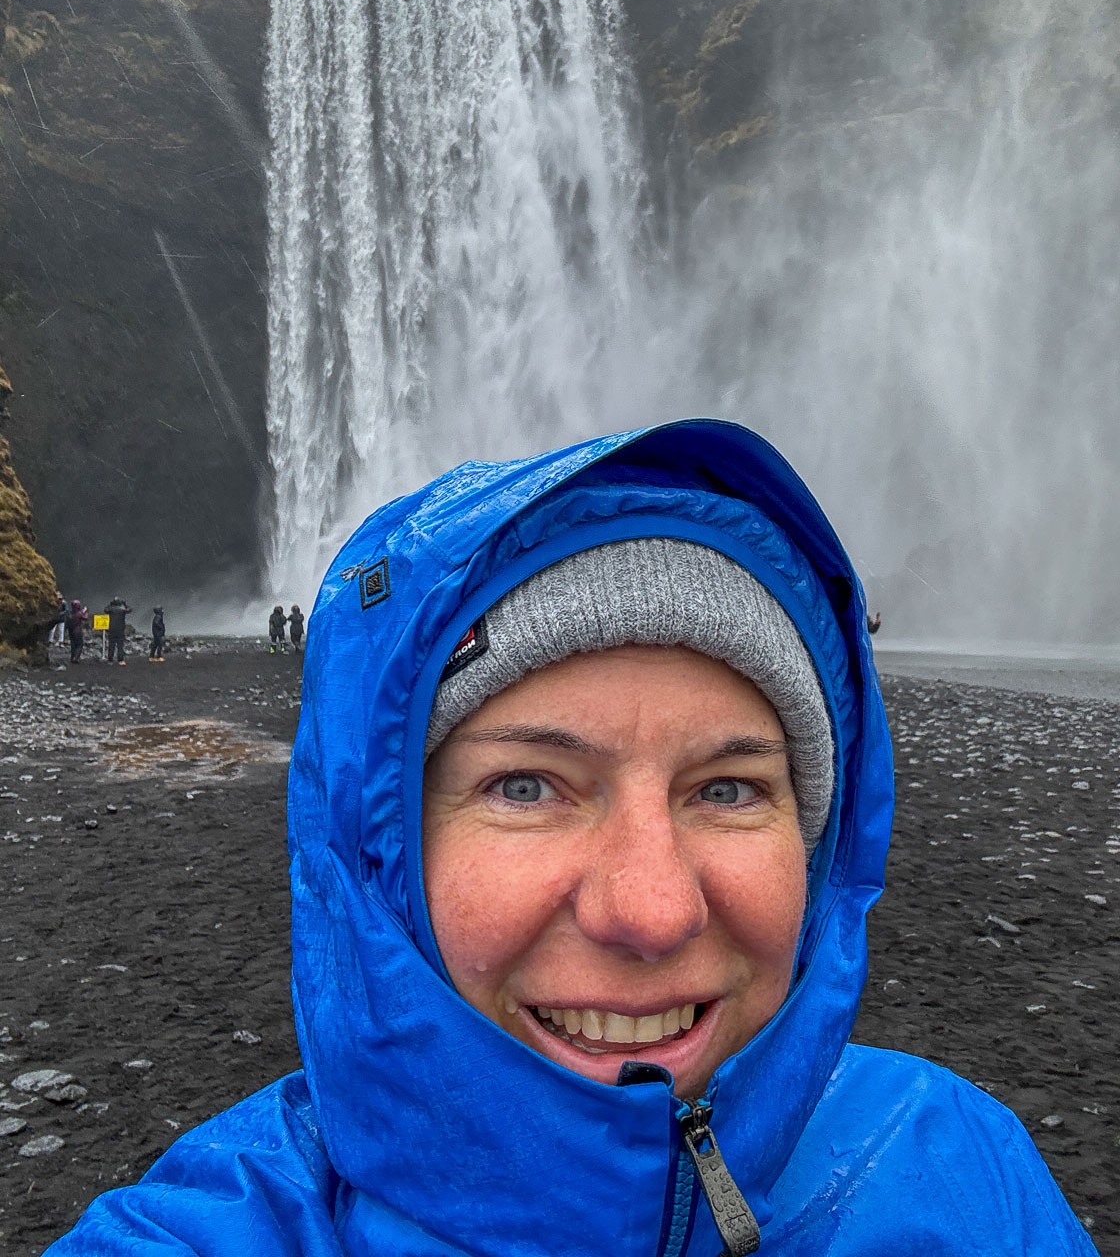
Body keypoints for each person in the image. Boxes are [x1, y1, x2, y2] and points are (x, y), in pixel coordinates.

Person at [43, 421, 1097, 1256]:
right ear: (381, 861)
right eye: (527, 784)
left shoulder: (968, 1169)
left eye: (728, 788)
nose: (650, 907)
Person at [104, 595, 131, 665]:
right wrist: (125, 604)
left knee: (111, 645)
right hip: (120, 629)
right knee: (120, 645)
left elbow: (105, 609)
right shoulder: (122, 609)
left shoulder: (110, 609)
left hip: (112, 629)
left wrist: (110, 604)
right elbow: (129, 610)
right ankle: (121, 660)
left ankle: (110, 660)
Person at [64, 598, 87, 665]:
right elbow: (85, 617)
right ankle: (76, 658)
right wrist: (85, 611)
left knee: (73, 645)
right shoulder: (79, 614)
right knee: (80, 645)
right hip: (77, 631)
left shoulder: (69, 614)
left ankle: (72, 657)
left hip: (70, 631)